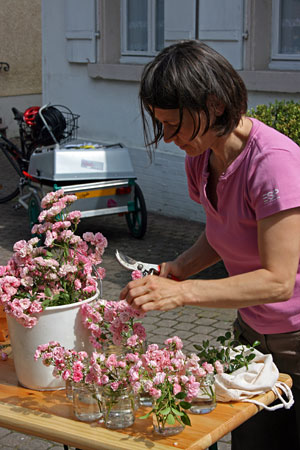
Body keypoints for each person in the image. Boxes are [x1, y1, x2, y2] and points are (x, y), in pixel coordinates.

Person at [120, 40, 300, 449]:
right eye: (159, 124)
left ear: (215, 104)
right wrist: (174, 270)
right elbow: (223, 234)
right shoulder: (201, 157)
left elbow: (277, 282)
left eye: (173, 124)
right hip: (253, 335)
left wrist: (182, 293)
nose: (167, 137)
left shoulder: (274, 164)